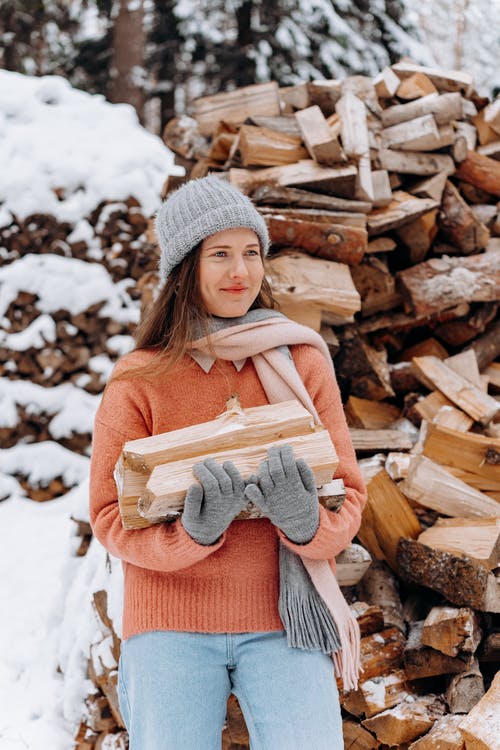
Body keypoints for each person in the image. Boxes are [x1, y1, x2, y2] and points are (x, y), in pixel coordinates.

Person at [89, 175, 367, 750]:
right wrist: (192, 532)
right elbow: (109, 517)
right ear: (185, 267)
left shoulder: (301, 362)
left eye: (251, 252)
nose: (240, 271)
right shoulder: (140, 379)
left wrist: (304, 520)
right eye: (220, 254)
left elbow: (349, 495)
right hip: (168, 622)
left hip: (285, 621)